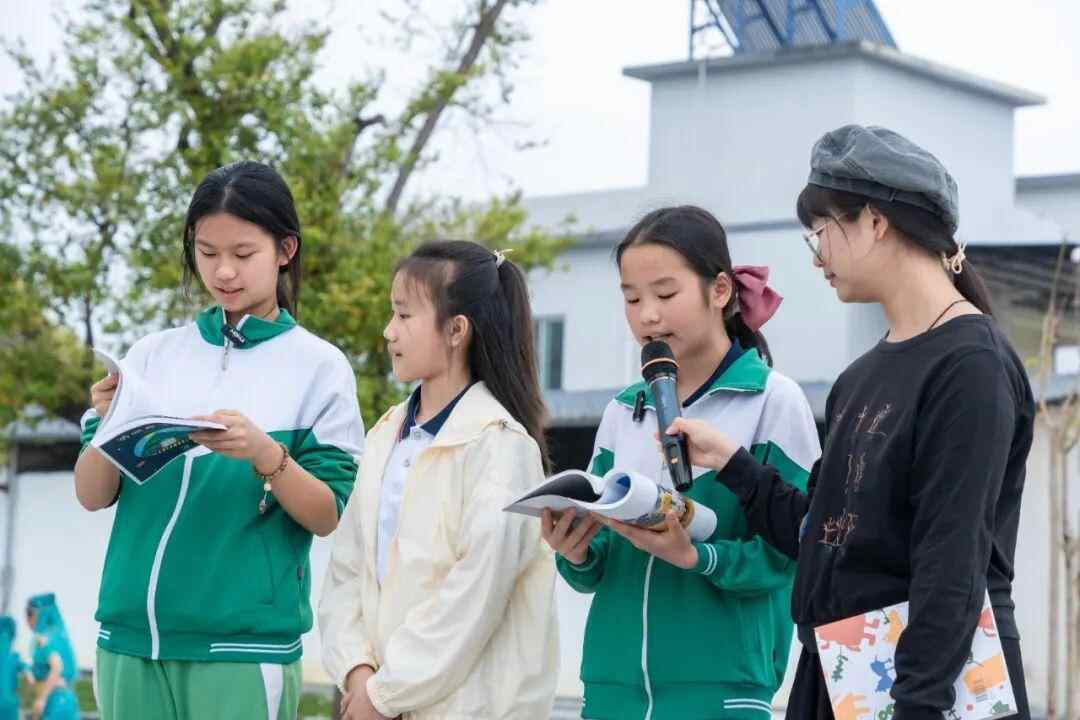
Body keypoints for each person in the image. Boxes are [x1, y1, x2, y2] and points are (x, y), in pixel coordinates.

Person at [666, 125, 1035, 720]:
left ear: (875, 222)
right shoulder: (861, 377)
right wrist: (734, 465)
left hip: (927, 690)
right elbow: (822, 534)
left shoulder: (970, 367)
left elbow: (951, 563)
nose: (817, 258)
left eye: (821, 233)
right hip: (843, 675)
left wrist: (917, 705)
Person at [75, 161, 365, 720]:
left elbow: (328, 513)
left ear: (285, 250)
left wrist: (266, 455)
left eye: (243, 253)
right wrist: (109, 423)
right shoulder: (152, 356)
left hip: (242, 650)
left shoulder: (320, 368)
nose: (223, 271)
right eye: (207, 253)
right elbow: (92, 495)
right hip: (128, 642)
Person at [543, 206, 820, 719]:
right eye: (632, 299)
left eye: (665, 294)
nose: (647, 315)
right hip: (611, 691)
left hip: (720, 690)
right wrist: (574, 553)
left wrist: (697, 556)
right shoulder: (623, 410)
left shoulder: (772, 402)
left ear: (720, 291)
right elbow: (595, 567)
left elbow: (792, 552)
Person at [320, 240, 559, 720]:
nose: (389, 331)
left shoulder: (500, 445)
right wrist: (358, 673)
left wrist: (383, 694)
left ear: (456, 330)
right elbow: (347, 571)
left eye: (404, 315)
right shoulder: (385, 434)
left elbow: (473, 600)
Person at [26, 595, 79, 720]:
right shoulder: (60, 635)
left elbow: (57, 668)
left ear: (41, 614)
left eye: (29, 613)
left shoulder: (45, 638)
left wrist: (42, 699)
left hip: (56, 702)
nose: (27, 619)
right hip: (64, 700)